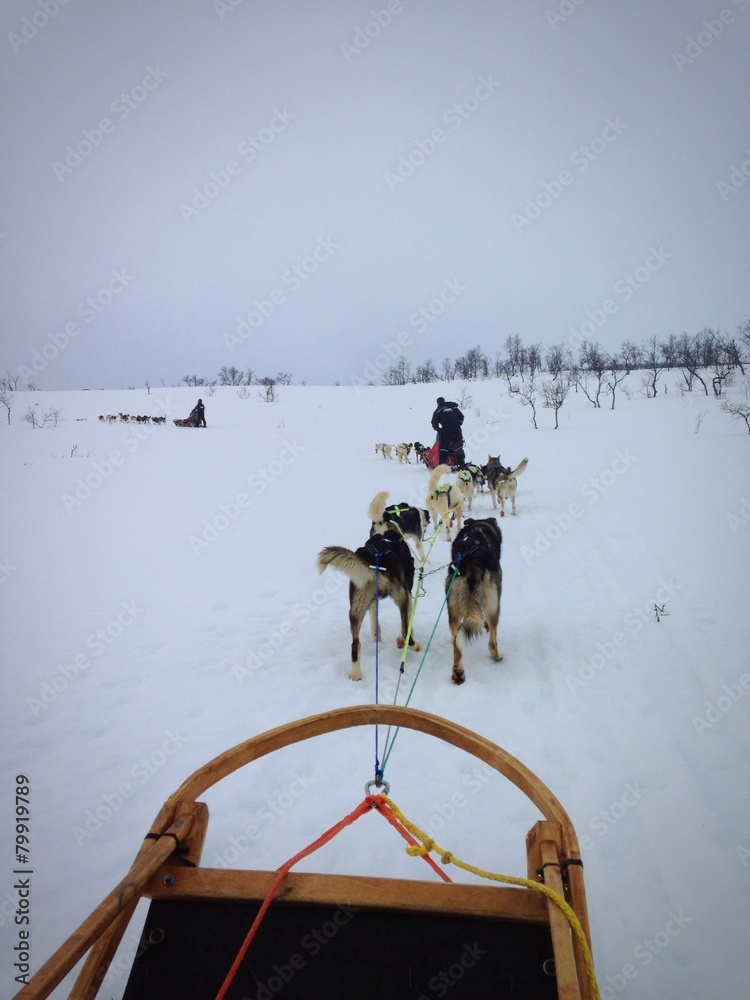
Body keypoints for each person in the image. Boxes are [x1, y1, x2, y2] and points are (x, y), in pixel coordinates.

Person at [430, 396, 464, 464]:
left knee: (444, 448)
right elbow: (461, 417)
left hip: (446, 430)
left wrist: (438, 429)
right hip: (457, 429)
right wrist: (458, 424)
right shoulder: (453, 407)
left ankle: (443, 465)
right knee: (458, 446)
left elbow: (434, 422)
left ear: (438, 403)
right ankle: (461, 463)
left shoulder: (438, 410)